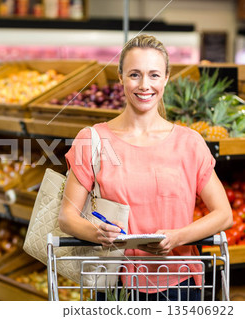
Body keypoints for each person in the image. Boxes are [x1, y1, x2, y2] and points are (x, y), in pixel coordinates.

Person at [58, 34, 233, 301]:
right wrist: (97, 232)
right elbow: (67, 218)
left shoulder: (189, 143)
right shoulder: (92, 139)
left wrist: (178, 237)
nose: (144, 85)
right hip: (115, 283)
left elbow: (223, 214)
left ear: (165, 78)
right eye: (134, 75)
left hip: (180, 283)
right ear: (120, 78)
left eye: (153, 75)